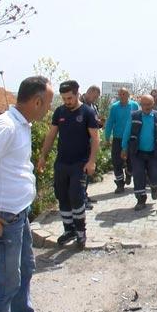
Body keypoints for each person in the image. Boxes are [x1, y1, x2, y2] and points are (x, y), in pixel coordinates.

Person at [0, 76, 53, 312]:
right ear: (37, 102)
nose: (48, 109)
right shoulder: (7, 126)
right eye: (47, 103)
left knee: (25, 268)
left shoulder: (21, 125)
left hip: (18, 213)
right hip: (3, 218)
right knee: (6, 281)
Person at [38, 80, 100, 248]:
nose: (67, 101)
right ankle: (69, 230)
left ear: (77, 93)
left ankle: (81, 232)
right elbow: (51, 135)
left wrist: (92, 161)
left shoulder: (87, 112)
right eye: (64, 98)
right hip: (62, 163)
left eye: (70, 98)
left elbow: (95, 138)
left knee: (76, 196)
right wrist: (43, 156)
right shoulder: (59, 112)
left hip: (79, 164)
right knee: (62, 196)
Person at [122, 94, 157, 210]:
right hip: (137, 152)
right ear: (141, 105)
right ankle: (141, 199)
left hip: (153, 153)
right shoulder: (134, 116)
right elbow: (127, 132)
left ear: (153, 104)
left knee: (155, 173)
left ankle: (154, 186)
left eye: (149, 104)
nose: (146, 107)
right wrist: (124, 148)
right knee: (138, 175)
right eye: (144, 105)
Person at [104, 88, 139, 193]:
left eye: (124, 94)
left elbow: (138, 120)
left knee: (132, 161)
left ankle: (129, 173)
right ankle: (120, 184)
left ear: (128, 95)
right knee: (116, 162)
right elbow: (110, 122)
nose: (121, 96)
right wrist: (107, 137)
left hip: (131, 138)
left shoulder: (134, 105)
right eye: (120, 94)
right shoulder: (114, 107)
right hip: (118, 138)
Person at [81, 85, 103, 209]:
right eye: (94, 96)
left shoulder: (94, 106)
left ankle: (85, 194)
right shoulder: (79, 103)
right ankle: (81, 199)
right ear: (89, 92)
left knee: (88, 171)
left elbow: (93, 122)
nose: (95, 99)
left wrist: (99, 123)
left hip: (91, 142)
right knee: (82, 172)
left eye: (96, 98)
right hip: (82, 142)